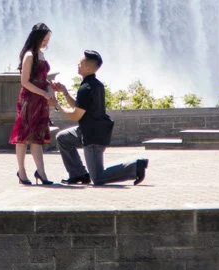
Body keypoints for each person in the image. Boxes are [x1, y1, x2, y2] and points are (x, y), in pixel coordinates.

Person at [51, 49, 148, 186]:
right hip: (88, 129)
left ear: (89, 67)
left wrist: (56, 105)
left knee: (98, 178)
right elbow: (80, 107)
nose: (78, 64)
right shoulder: (95, 84)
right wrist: (65, 92)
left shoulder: (86, 88)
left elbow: (75, 115)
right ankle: (78, 174)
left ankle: (134, 166)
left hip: (93, 136)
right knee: (63, 138)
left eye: (81, 62)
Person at [10, 22, 56, 186]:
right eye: (45, 39)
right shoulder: (29, 55)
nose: (46, 42)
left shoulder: (40, 55)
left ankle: (41, 172)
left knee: (37, 137)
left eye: (48, 39)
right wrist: (44, 92)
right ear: (37, 37)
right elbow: (25, 82)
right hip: (29, 100)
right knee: (23, 136)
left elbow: (42, 78)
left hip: (40, 100)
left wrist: (50, 88)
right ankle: (21, 171)